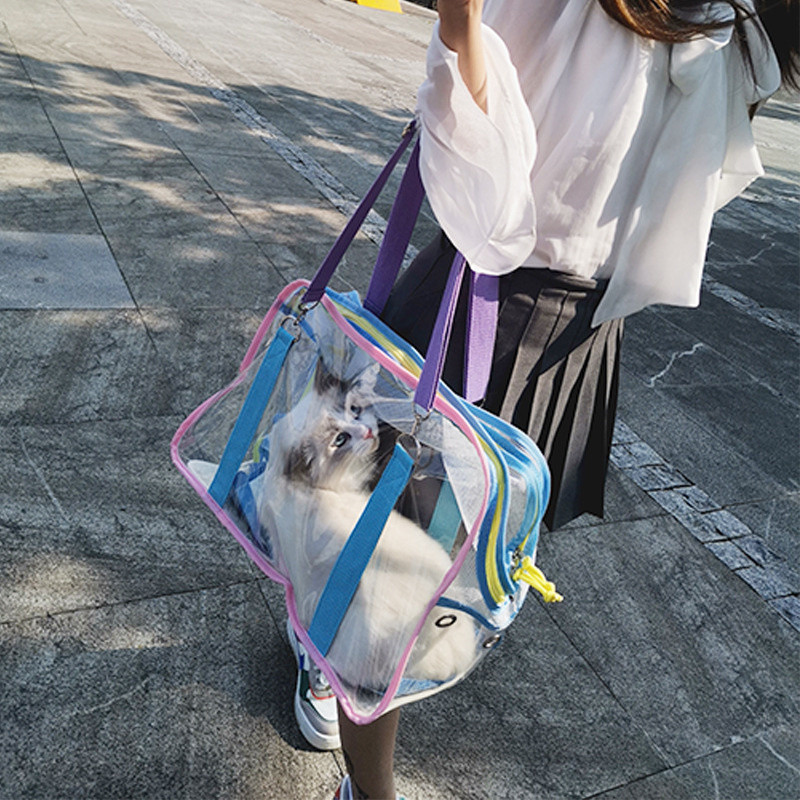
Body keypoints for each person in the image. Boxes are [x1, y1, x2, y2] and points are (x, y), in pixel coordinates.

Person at [285, 1, 799, 797]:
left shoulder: (735, 30)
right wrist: (462, 38)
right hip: (506, 310)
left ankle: (335, 657)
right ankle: (359, 750)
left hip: (547, 324)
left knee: (424, 557)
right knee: (386, 561)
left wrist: (462, 43)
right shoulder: (725, 33)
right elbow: (484, 179)